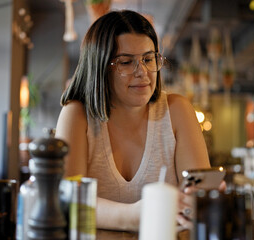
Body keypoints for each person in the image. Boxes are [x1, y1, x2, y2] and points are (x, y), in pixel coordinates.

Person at [55, 10, 213, 231]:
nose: (143, 72)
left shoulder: (177, 111)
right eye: (126, 62)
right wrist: (139, 214)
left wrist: (202, 201)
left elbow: (198, 198)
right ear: (100, 68)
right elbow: (68, 201)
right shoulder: (77, 114)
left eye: (148, 59)